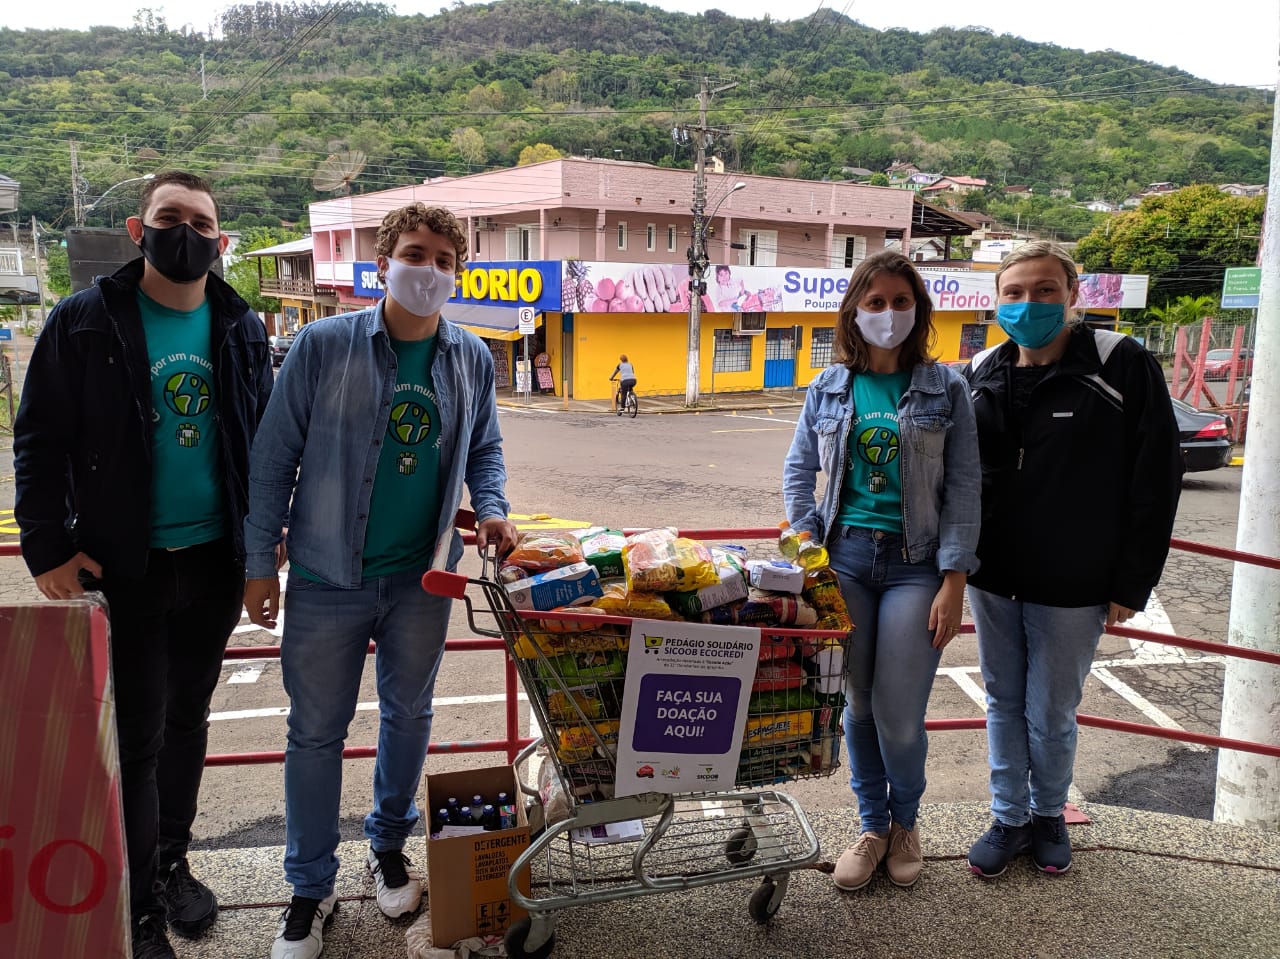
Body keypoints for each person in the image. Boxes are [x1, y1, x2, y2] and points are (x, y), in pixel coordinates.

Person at [242, 203, 519, 959]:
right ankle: (309, 888)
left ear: (456, 271)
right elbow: (273, 459)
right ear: (382, 261)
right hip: (328, 575)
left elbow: (485, 450)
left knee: (409, 716)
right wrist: (257, 560)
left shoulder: (468, 357)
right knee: (315, 732)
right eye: (412, 253)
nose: (426, 269)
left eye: (441, 259)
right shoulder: (323, 345)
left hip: (420, 580)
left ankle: (388, 845)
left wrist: (491, 509)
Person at [13, 171, 273, 959]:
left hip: (214, 560)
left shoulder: (238, 325)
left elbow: (258, 440)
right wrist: (47, 543)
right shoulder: (84, 320)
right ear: (138, 228)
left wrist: (263, 544)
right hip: (126, 565)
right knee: (136, 731)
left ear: (221, 241)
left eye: (202, 222)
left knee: (189, 720)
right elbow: (38, 437)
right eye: (171, 218)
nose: (186, 232)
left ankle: (172, 862)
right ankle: (136, 901)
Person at [962, 241, 1182, 878]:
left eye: (1045, 290)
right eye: (1015, 293)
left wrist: (1131, 582)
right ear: (998, 300)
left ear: (1073, 295)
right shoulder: (983, 368)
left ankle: (1049, 813)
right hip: (994, 574)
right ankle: (1008, 818)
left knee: (1051, 709)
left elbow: (1155, 479)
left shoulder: (1121, 363)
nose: (1029, 304)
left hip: (1076, 579)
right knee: (1002, 700)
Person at [783, 250, 981, 891]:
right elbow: (797, 472)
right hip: (845, 559)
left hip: (914, 564)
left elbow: (965, 487)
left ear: (917, 309)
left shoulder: (945, 386)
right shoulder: (829, 386)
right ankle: (871, 828)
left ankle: (906, 822)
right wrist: (805, 540)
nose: (888, 314)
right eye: (875, 303)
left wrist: (954, 581)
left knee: (899, 714)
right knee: (857, 705)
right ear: (854, 312)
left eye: (900, 302)